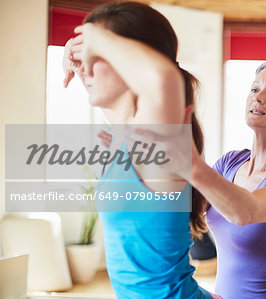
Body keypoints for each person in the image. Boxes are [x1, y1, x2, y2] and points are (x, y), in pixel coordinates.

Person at [63, 2, 220, 298]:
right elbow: (119, 94)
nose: (85, 69)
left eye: (97, 57)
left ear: (130, 62)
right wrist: (85, 57)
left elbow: (161, 77)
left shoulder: (154, 143)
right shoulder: (127, 136)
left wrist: (98, 38)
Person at [130, 60, 266, 298]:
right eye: (255, 89)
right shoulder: (230, 163)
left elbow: (245, 211)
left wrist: (189, 161)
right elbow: (185, 205)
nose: (258, 98)